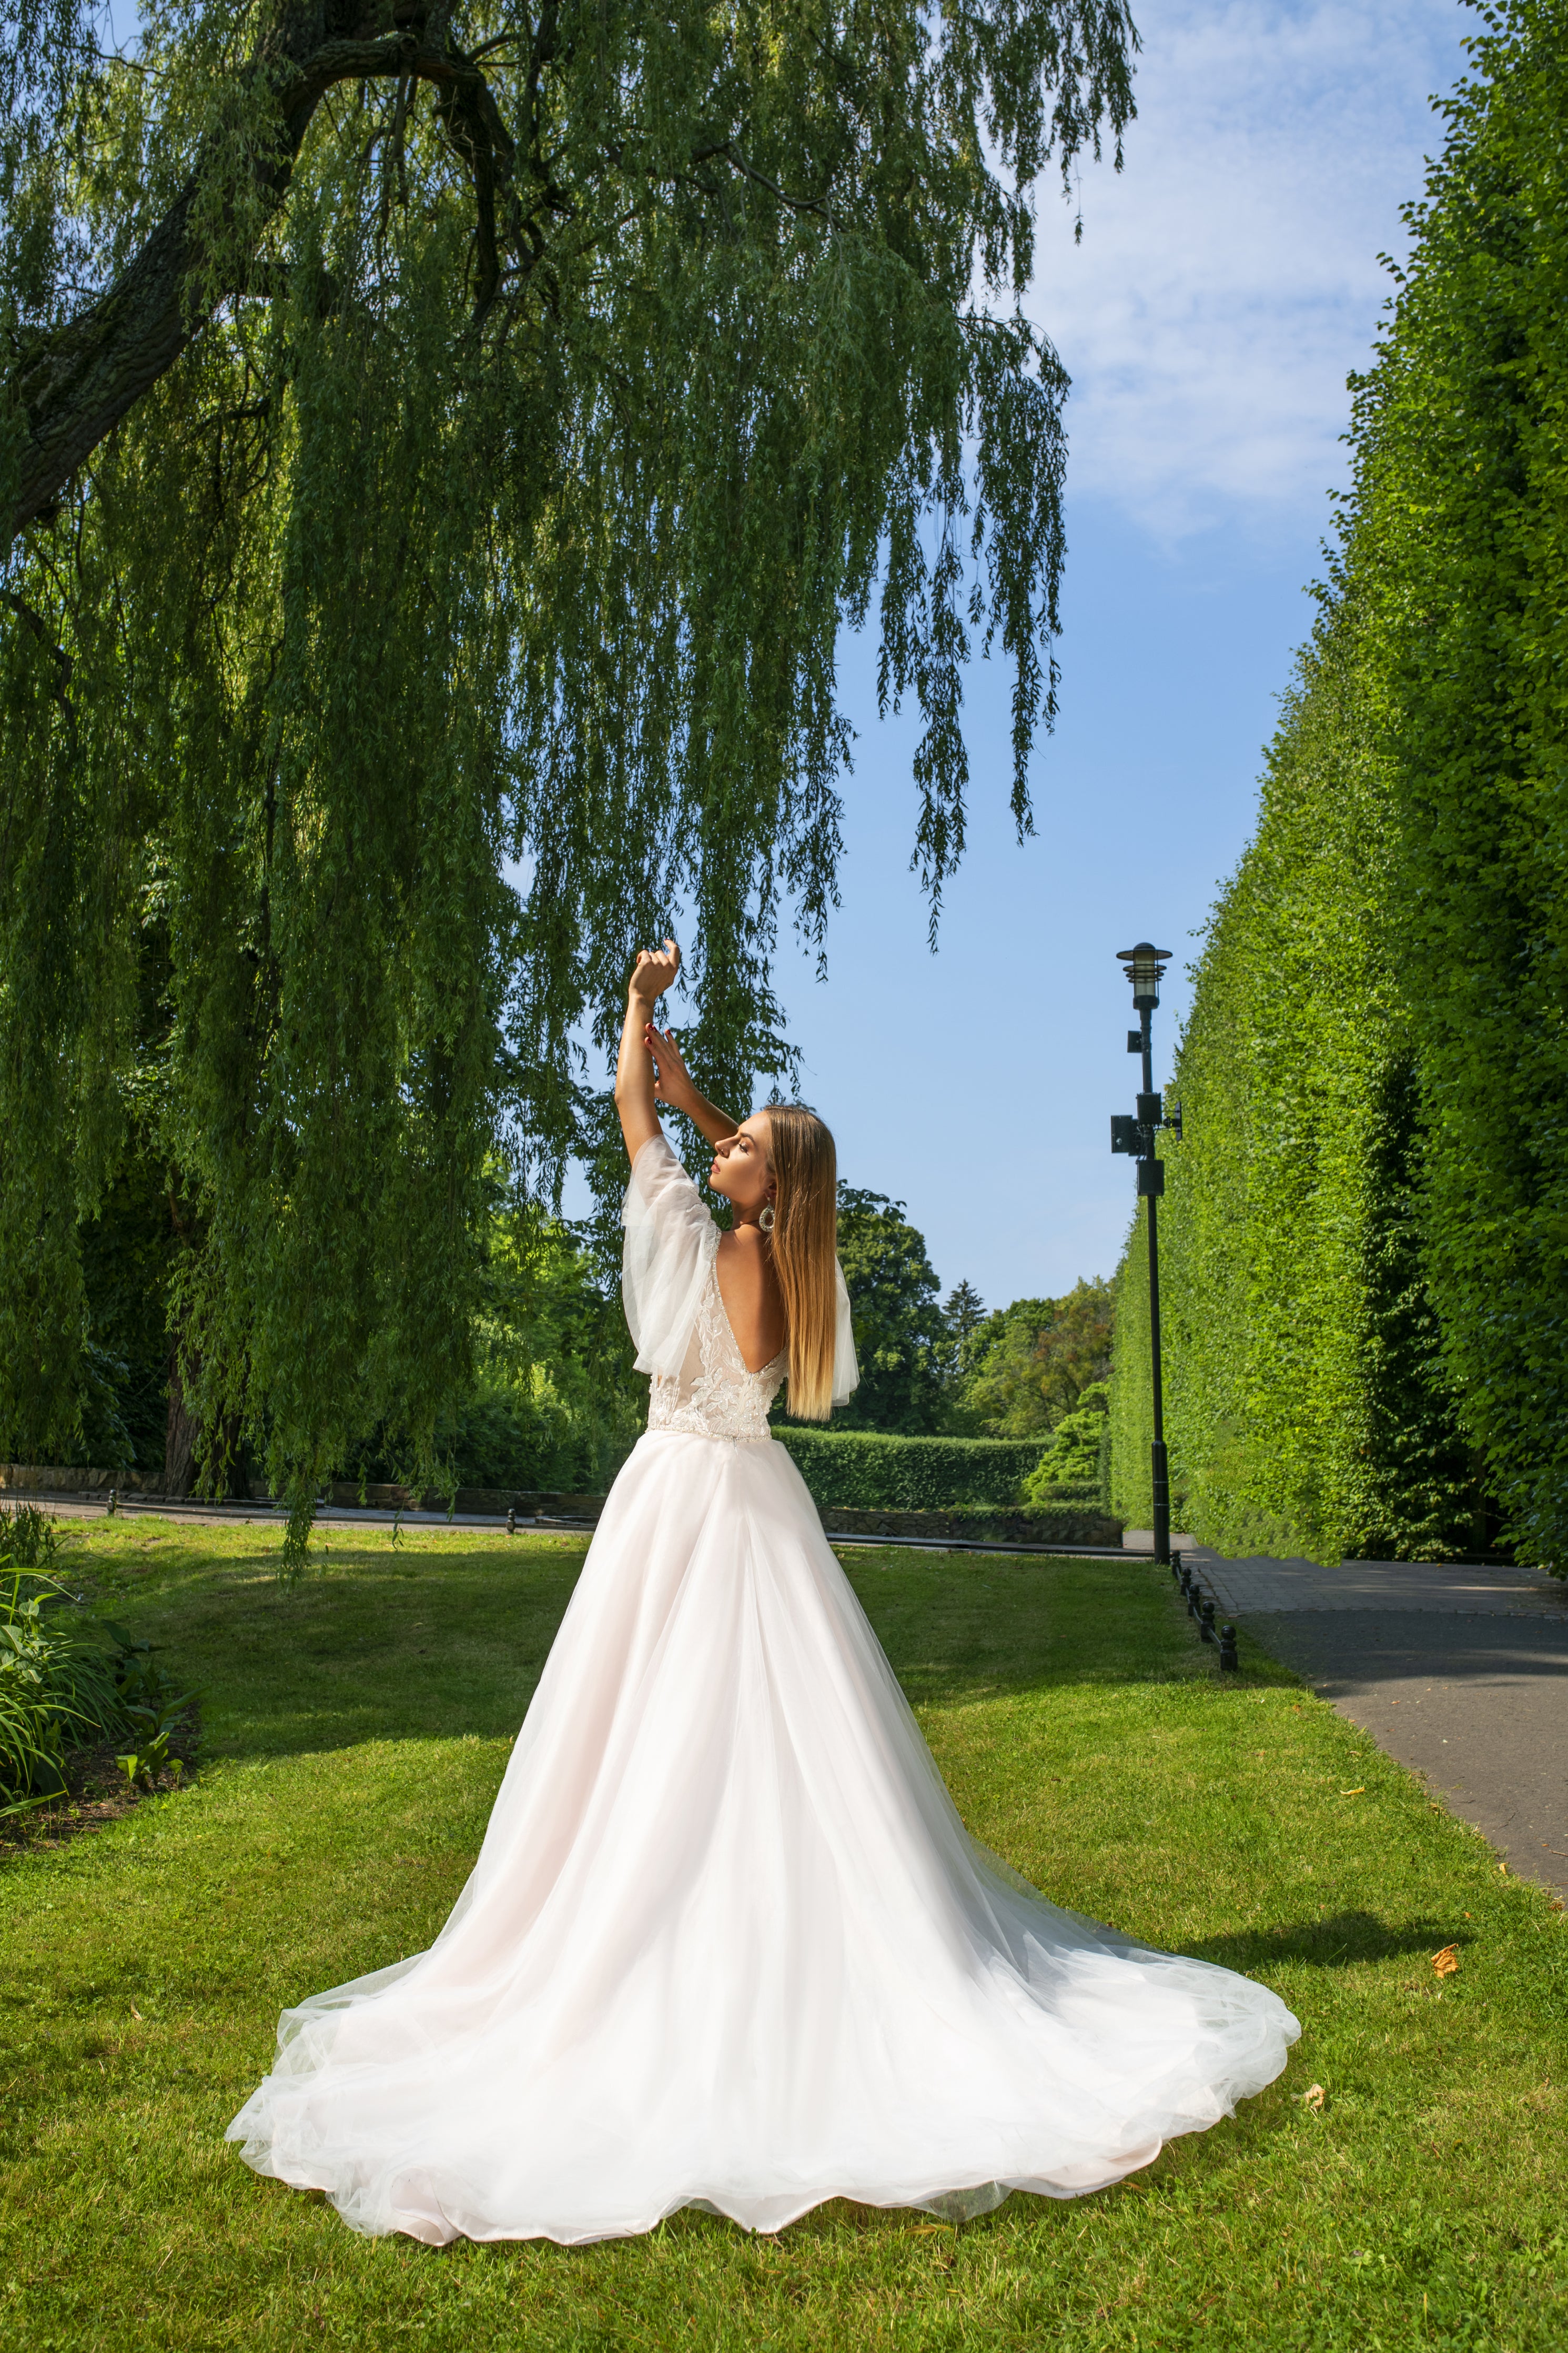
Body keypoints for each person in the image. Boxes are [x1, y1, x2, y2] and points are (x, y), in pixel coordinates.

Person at [227, 939, 1298, 2245]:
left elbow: (640, 1124)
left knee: (652, 1730)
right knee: (752, 1732)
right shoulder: (780, 1248)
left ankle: (663, 1954)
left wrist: (643, 1026)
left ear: (764, 1183)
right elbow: (688, 1129)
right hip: (740, 1493)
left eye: (744, 1148)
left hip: (675, 1487)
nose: (722, 1146)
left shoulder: (724, 1248)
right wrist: (697, 1099)